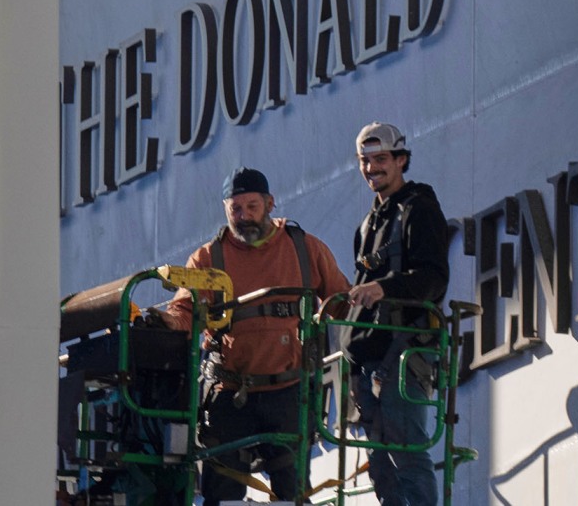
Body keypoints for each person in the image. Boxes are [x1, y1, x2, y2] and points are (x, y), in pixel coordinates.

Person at [156, 167, 351, 506]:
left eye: (252, 207)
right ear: (225, 210)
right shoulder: (207, 258)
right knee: (222, 490)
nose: (244, 217)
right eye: (236, 209)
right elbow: (186, 312)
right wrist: (167, 321)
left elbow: (342, 302)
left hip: (289, 391)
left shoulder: (304, 249)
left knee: (292, 491)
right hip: (230, 392)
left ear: (270, 203)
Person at [340, 121, 449, 506]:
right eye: (364, 161)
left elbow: (434, 278)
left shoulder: (419, 210)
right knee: (381, 464)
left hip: (402, 355)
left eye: (381, 159)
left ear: (401, 160)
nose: (372, 168)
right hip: (368, 360)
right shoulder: (369, 223)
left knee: (406, 454)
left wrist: (384, 287)